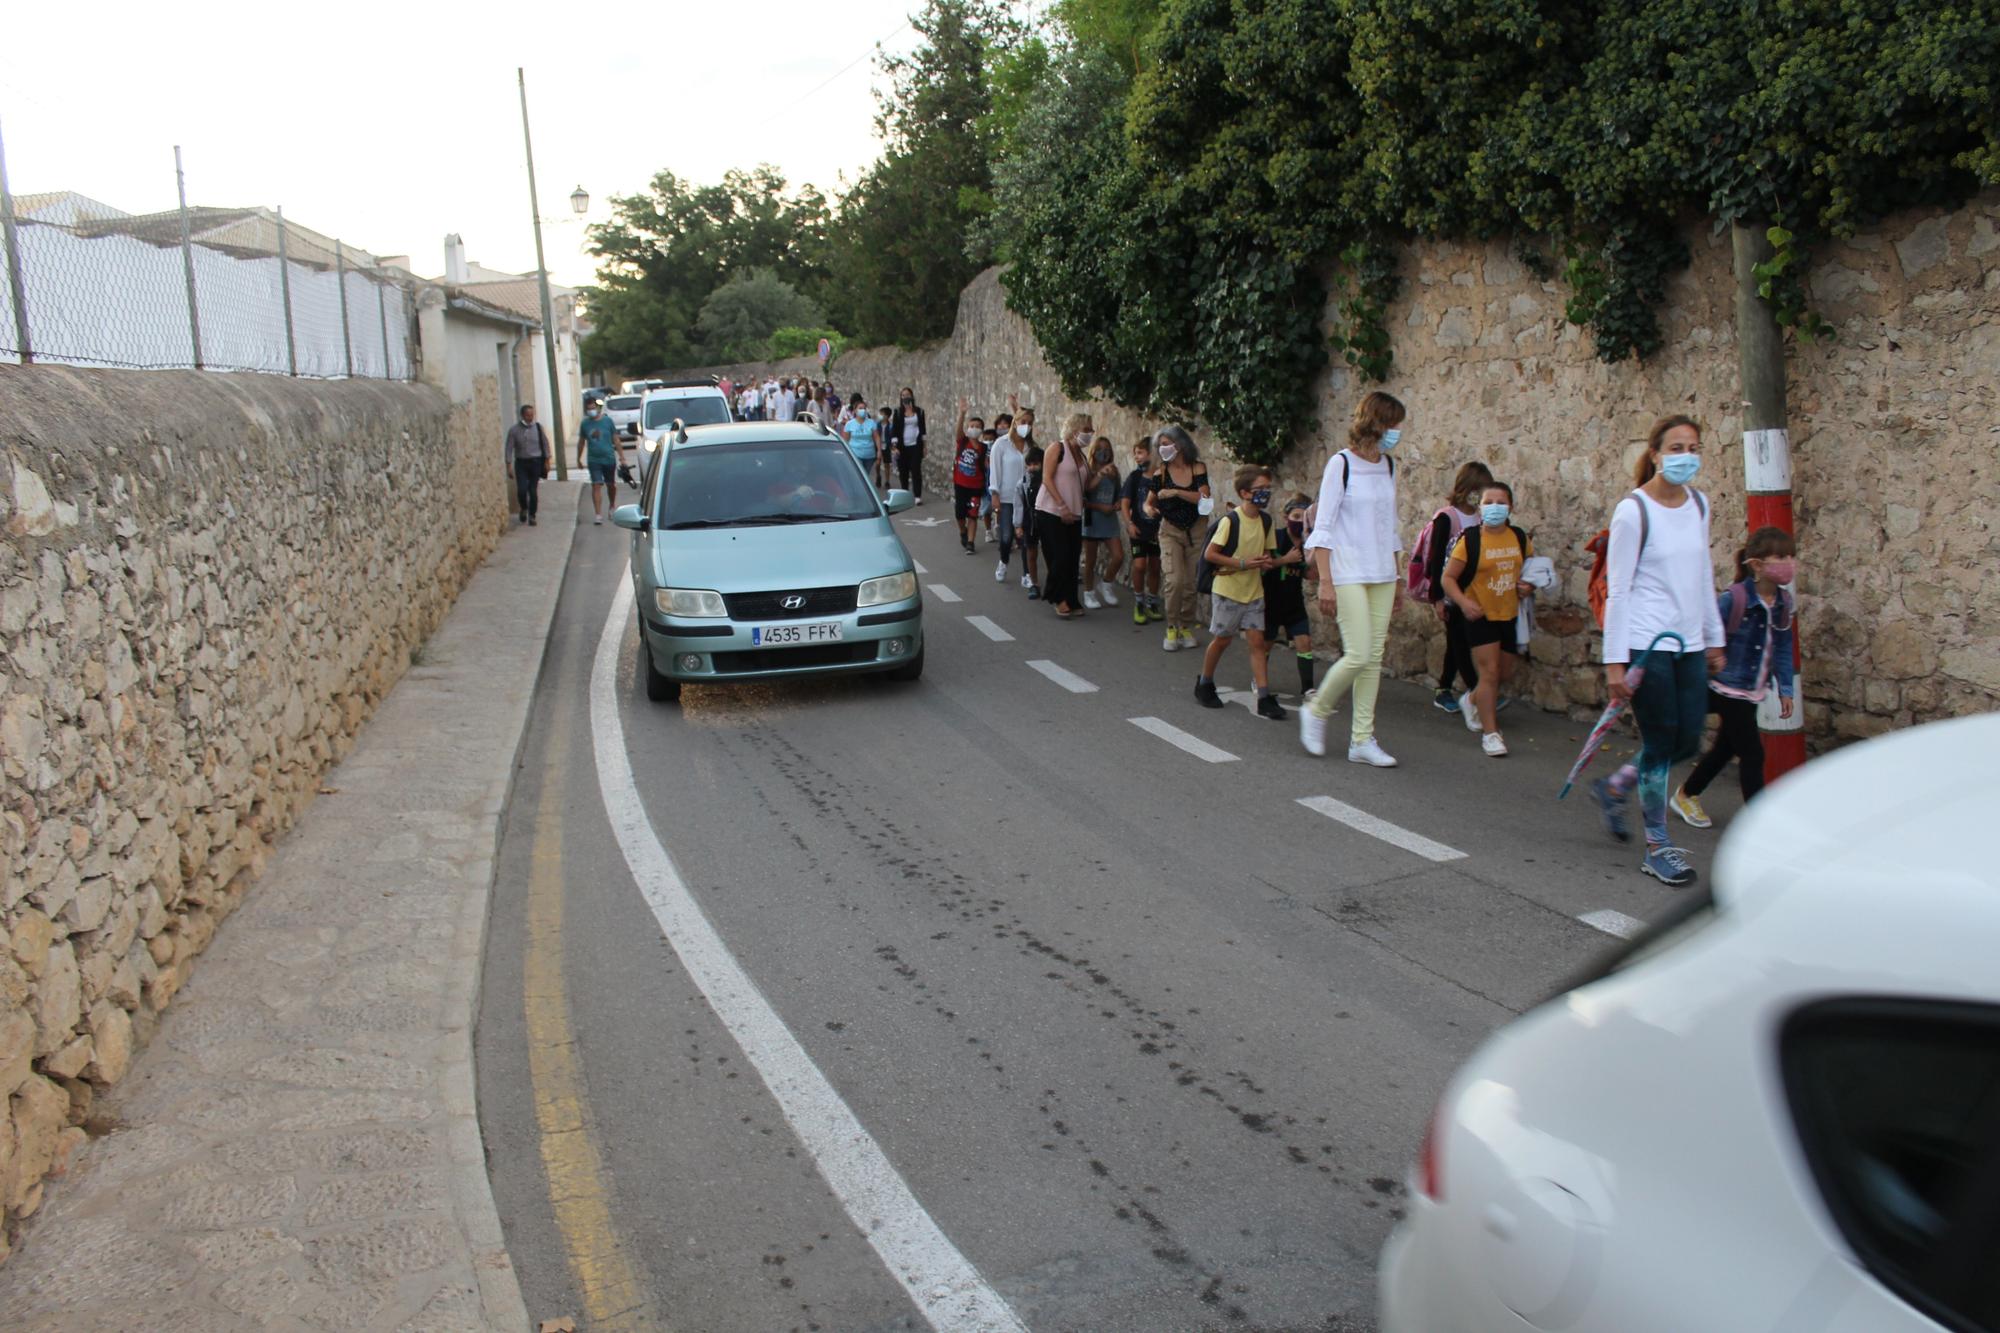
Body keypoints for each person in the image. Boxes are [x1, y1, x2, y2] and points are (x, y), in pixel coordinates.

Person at [1590, 414, 1727, 887]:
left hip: (1689, 642)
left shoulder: (1699, 504)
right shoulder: (1634, 511)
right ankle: (1658, 846)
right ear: (1654, 454)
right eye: (1675, 447)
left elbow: (1703, 573)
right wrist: (1615, 663)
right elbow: (1619, 589)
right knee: (1662, 740)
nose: (1686, 456)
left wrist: (1714, 637)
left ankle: (1614, 785)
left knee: (1686, 739)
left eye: (1693, 446)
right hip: (1646, 645)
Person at [1299, 391, 1407, 767]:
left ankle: (1362, 739)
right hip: (1347, 571)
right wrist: (1325, 582)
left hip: (1382, 572)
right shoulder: (1340, 464)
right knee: (1359, 653)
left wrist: (1398, 574)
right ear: (1375, 423)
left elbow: (1389, 525)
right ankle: (1317, 709)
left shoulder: (1389, 466)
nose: (1397, 432)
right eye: (1393, 425)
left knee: (1373, 658)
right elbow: (1324, 527)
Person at [1671, 527, 1798, 828]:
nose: (1789, 563)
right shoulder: (1735, 598)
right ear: (1757, 564)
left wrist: (1786, 689)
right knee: (1752, 754)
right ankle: (1758, 821)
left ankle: (1687, 794)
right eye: (1780, 557)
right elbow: (1705, 631)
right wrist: (1712, 656)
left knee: (1726, 747)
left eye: (1791, 556)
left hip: (1752, 689)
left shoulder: (1782, 603)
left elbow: (1782, 647)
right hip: (1727, 686)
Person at [1440, 483, 1533, 757]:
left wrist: (1528, 586)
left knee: (1503, 674)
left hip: (1511, 614)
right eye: (1488, 502)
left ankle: (1471, 699)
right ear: (1480, 507)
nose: (1494, 507)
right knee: (1490, 673)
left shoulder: (1518, 537)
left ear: (1511, 507)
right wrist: (1464, 602)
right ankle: (1491, 734)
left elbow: (1530, 569)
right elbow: (1448, 578)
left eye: (1500, 502)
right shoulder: (1470, 540)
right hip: (1479, 614)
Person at [1194, 466, 1288, 721]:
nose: (1265, 494)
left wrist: (1267, 562)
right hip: (1228, 590)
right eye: (1260, 490)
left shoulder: (1266, 521)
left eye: (1268, 489)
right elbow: (1211, 554)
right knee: (1223, 639)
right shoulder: (1230, 521)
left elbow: (1267, 554)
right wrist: (1245, 564)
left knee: (1257, 643)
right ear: (1245, 493)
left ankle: (1264, 697)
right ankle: (1204, 682)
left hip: (1253, 591)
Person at [1420, 461, 1495, 712]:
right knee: (1460, 640)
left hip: (1472, 592)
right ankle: (1476, 690)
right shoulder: (1447, 518)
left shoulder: (1479, 517)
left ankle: (1444, 688)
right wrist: (1437, 598)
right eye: (1480, 489)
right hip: (1451, 592)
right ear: (1468, 488)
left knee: (1456, 642)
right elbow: (1435, 556)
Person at [1143, 426, 1211, 651]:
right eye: (1160, 445)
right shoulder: (1159, 474)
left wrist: (1176, 492)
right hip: (1170, 530)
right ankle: (1172, 626)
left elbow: (1204, 499)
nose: (1162, 449)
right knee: (1175, 580)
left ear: (1180, 445)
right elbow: (1149, 502)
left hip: (1196, 531)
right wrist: (1149, 509)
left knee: (1191, 583)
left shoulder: (1197, 468)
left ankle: (1186, 625)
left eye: (1166, 443)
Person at [1035, 413, 1089, 618]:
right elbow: (1047, 479)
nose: (1090, 434)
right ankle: (1058, 598)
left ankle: (1071, 598)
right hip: (1051, 511)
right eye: (1087, 429)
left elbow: (1084, 484)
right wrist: (1061, 506)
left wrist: (1102, 474)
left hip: (1074, 513)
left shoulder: (1082, 456)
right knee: (1059, 556)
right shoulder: (1057, 448)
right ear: (1075, 430)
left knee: (1072, 557)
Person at [1263, 494, 1316, 697]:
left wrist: (1316, 560)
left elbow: (1310, 574)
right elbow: (1265, 564)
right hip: (1271, 600)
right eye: (1296, 516)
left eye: (1304, 518)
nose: (1299, 522)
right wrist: (1286, 559)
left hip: (1294, 602)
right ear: (1286, 517)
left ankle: (1308, 687)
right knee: (1266, 643)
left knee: (1304, 642)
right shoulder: (1275, 538)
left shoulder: (1308, 544)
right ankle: (1259, 681)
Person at [1121, 436, 1162, 624]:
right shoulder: (1135, 478)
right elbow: (1125, 503)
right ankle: (1139, 603)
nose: (1136, 457)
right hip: (1138, 530)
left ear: (1151, 454)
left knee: (1155, 567)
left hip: (1156, 532)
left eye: (1140, 453)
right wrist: (1129, 523)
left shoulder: (1162, 477)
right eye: (1135, 453)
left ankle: (1153, 602)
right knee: (1139, 565)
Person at [1080, 438, 1124, 609]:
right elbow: (1086, 493)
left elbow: (1119, 494)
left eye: (1106, 449)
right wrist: (1100, 475)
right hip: (1092, 520)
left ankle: (1106, 583)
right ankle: (1088, 593)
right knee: (1091, 561)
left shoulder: (1114, 473)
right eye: (1099, 449)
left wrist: (1119, 503)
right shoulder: (1088, 471)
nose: (1103, 453)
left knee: (1119, 556)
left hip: (1109, 520)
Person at [988, 409, 1028, 584]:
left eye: (1029, 422)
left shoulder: (1030, 446)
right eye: (1023, 422)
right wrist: (994, 493)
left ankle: (1027, 573)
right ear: (1015, 423)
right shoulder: (1001, 444)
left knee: (1026, 538)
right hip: (1006, 498)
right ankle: (1003, 561)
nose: (1026, 426)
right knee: (1006, 537)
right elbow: (995, 470)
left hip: (1026, 498)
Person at [576, 396, 625, 525]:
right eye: (588, 409)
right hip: (594, 460)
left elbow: (615, 439)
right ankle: (598, 514)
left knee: (611, 485)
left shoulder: (607, 421)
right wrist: (578, 459)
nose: (591, 410)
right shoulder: (585, 424)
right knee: (596, 485)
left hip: (608, 458)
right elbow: (581, 442)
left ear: (597, 408)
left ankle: (612, 505)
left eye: (593, 408)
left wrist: (622, 457)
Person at [950, 399, 988, 553]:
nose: (974, 429)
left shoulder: (984, 448)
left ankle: (971, 542)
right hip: (960, 484)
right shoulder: (963, 442)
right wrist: (962, 413)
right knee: (960, 514)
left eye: (977, 427)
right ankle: (962, 531)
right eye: (972, 426)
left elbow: (986, 465)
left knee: (973, 514)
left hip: (975, 487)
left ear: (982, 431)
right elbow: (958, 431)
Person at [506, 403, 550, 526]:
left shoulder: (538, 428)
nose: (530, 417)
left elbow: (545, 444)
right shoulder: (514, 430)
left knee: (533, 490)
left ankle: (532, 515)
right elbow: (509, 447)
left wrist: (547, 461)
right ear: (522, 415)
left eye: (532, 415)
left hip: (536, 462)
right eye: (527, 415)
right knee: (522, 489)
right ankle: (524, 508)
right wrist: (508, 465)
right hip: (521, 463)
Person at [894, 388, 927, 503]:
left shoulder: (919, 411)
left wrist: (924, 446)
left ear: (912, 396)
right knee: (903, 471)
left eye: (907, 394)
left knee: (916, 470)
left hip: (916, 445)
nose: (905, 397)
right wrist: (895, 447)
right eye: (903, 395)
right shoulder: (898, 412)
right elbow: (895, 430)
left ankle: (917, 496)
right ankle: (905, 494)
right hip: (902, 446)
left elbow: (923, 430)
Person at [842, 393, 880, 489]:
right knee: (860, 474)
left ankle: (862, 490)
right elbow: (845, 439)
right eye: (860, 408)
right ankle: (859, 491)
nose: (862, 410)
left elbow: (876, 437)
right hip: (856, 453)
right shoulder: (849, 424)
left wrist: (879, 450)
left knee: (866, 475)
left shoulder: (871, 423)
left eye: (864, 408)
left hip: (869, 454)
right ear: (855, 410)